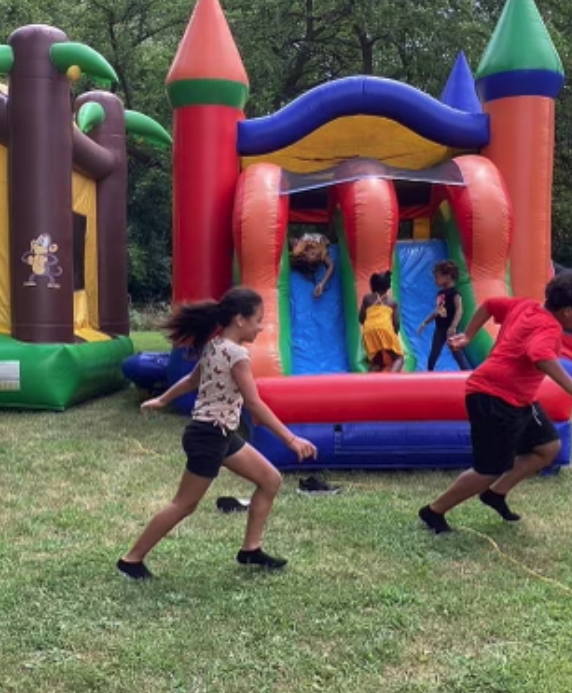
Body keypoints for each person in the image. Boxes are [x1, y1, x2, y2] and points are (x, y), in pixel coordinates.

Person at [117, 287, 318, 580]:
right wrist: (291, 439)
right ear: (239, 320)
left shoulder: (214, 346)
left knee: (270, 479)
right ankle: (131, 560)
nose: (260, 326)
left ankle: (251, 550)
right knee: (184, 504)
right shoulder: (237, 355)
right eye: (257, 320)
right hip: (209, 436)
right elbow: (253, 402)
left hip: (220, 434)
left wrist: (163, 400)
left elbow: (190, 380)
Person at [417, 272, 572, 534]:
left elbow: (489, 305)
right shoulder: (549, 328)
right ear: (567, 311)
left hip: (518, 398)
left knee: (547, 447)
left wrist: (469, 335)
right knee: (489, 469)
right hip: (495, 397)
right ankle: (433, 511)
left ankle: (496, 494)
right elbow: (540, 356)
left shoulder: (526, 306)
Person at [417, 260, 470, 371]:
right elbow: (438, 311)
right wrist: (425, 322)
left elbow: (459, 310)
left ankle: (467, 374)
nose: (435, 280)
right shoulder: (440, 294)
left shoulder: (455, 293)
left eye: (437, 277)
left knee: (457, 354)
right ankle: (429, 375)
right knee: (433, 354)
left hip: (450, 330)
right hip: (440, 329)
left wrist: (453, 326)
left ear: (448, 277)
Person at [359, 271, 404, 372]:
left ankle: (369, 383)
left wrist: (371, 326)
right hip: (385, 329)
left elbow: (361, 318)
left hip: (368, 330)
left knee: (377, 363)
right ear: (388, 286)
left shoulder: (367, 298)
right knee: (398, 358)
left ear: (373, 285)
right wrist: (394, 335)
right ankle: (391, 380)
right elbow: (396, 323)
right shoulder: (392, 302)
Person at [290, 233, 334, 298]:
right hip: (320, 240)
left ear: (308, 250)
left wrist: (295, 244)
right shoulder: (321, 252)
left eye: (313, 253)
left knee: (295, 246)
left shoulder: (302, 246)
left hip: (306, 242)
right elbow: (331, 266)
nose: (317, 254)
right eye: (317, 257)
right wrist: (322, 284)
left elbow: (292, 240)